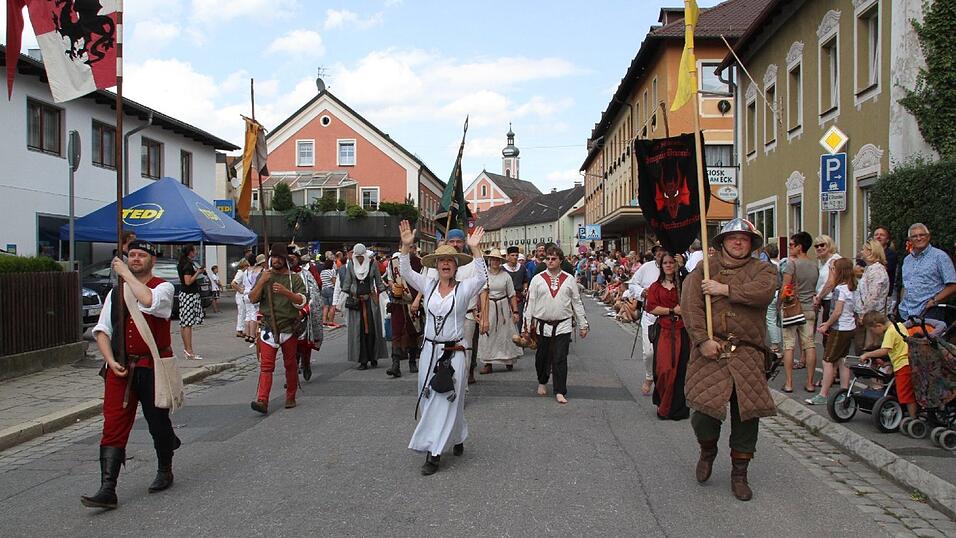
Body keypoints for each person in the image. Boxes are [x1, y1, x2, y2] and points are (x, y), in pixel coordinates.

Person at [681, 218, 776, 502]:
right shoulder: (704, 270)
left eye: (743, 239)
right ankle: (707, 449)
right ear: (722, 242)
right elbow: (691, 306)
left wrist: (725, 290)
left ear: (752, 244)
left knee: (747, 414)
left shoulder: (763, 269)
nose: (738, 242)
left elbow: (764, 294)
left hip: (748, 351)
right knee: (704, 411)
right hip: (711, 349)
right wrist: (703, 340)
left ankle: (739, 474)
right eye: (732, 238)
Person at [81, 240, 179, 509]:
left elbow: (150, 302)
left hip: (152, 367)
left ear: (152, 260)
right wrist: (110, 360)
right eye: (131, 255)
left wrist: (124, 274)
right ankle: (108, 488)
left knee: (157, 421)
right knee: (113, 424)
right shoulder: (116, 292)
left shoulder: (164, 287)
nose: (135, 259)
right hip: (121, 369)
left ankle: (164, 469)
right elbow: (102, 330)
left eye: (141, 255)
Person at [398, 220, 487, 475]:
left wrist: (476, 249)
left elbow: (482, 277)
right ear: (435, 266)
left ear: (456, 266)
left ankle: (433, 453)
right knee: (430, 398)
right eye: (441, 261)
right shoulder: (429, 286)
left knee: (446, 400)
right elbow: (406, 273)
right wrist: (406, 247)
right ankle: (458, 436)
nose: (445, 264)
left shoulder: (464, 288)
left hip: (453, 353)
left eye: (450, 261)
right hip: (429, 351)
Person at [523, 245, 589, 404]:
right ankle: (542, 381)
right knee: (542, 357)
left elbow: (576, 302)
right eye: (548, 258)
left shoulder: (569, 279)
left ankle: (560, 390)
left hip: (563, 324)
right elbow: (529, 303)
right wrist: (525, 327)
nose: (550, 261)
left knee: (560, 357)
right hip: (542, 324)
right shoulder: (537, 279)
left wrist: (583, 324)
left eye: (554, 258)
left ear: (560, 260)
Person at [249, 243, 308, 414]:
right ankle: (262, 400)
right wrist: (261, 282)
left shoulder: (294, 279)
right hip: (269, 328)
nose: (276, 260)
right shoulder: (265, 276)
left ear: (285, 260)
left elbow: (302, 300)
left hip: (289, 327)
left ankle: (291, 396)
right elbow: (252, 298)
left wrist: (286, 292)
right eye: (274, 257)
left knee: (290, 364)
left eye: (279, 258)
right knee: (266, 366)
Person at [806, 258, 857, 406]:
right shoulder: (851, 287)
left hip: (839, 329)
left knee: (827, 360)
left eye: (833, 270)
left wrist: (826, 325)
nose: (831, 272)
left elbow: (837, 312)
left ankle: (823, 393)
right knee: (843, 360)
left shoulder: (840, 289)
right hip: (849, 327)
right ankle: (844, 391)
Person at [645, 253, 689, 420]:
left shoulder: (683, 284)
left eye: (672, 262)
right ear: (661, 265)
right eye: (666, 263)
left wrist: (683, 267)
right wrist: (672, 310)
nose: (669, 265)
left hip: (681, 330)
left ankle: (677, 408)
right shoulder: (656, 286)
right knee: (663, 369)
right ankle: (663, 403)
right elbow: (652, 307)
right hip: (664, 330)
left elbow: (694, 288)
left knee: (679, 370)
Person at [780, 232, 819, 393]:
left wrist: (780, 302)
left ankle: (789, 383)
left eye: (791, 245)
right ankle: (810, 383)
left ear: (799, 247)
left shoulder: (792, 264)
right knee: (809, 345)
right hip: (809, 308)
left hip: (792, 309)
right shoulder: (814, 265)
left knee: (789, 346)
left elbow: (785, 288)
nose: (789, 248)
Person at [859, 311, 918, 418]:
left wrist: (867, 355)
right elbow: (900, 347)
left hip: (902, 365)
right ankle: (911, 415)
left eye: (873, 331)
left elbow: (884, 350)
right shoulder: (899, 325)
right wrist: (889, 363)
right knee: (906, 392)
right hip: (905, 362)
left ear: (878, 326)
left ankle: (913, 417)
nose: (874, 333)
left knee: (905, 394)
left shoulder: (890, 332)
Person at [342, 243, 389, 369]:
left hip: (371, 302)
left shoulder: (372, 263)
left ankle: (374, 357)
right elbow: (347, 283)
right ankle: (362, 360)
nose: (359, 259)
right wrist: (340, 302)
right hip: (357, 303)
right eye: (356, 256)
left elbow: (379, 282)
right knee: (359, 332)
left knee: (373, 331)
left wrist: (386, 300)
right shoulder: (351, 264)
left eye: (360, 256)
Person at [898, 223, 956, 323]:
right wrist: (902, 303)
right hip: (907, 313)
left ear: (928, 237)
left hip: (930, 312)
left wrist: (934, 301)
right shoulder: (907, 260)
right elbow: (905, 285)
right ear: (910, 240)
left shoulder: (940, 257)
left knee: (926, 339)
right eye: (914, 236)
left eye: (922, 235)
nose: (919, 238)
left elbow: (953, 285)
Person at [478, 249, 522, 374]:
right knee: (488, 333)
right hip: (489, 306)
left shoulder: (505, 275)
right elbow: (480, 294)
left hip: (503, 307)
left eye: (497, 260)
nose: (495, 262)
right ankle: (488, 362)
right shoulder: (484, 275)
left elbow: (512, 295)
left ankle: (508, 359)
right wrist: (480, 311)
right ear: (489, 261)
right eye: (493, 259)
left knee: (506, 334)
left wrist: (515, 311)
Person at [629, 245, 664, 395]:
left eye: (663, 252)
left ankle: (663, 382)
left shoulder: (673, 268)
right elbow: (632, 284)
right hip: (650, 316)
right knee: (649, 352)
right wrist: (642, 292)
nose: (660, 255)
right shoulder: (646, 268)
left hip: (669, 316)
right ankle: (649, 377)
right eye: (657, 252)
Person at [289, 246, 323, 381]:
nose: (291, 260)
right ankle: (292, 375)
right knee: (290, 346)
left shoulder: (306, 274)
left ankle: (306, 363)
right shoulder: (282, 275)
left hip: (304, 314)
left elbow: (314, 294)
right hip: (288, 315)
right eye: (288, 258)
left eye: (293, 258)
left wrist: (305, 310)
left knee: (303, 344)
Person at [385, 252, 422, 378]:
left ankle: (412, 361)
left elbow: (423, 284)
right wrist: (394, 286)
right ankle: (395, 365)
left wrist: (418, 299)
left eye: (412, 246)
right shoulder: (393, 262)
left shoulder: (419, 262)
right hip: (398, 301)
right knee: (396, 332)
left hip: (413, 302)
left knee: (413, 332)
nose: (411, 249)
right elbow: (390, 279)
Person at [854, 239, 889, 350]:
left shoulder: (877, 270)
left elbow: (873, 296)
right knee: (867, 345)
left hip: (874, 316)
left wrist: (864, 314)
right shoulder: (870, 269)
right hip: (869, 315)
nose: (861, 252)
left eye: (863, 249)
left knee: (872, 345)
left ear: (871, 251)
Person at [176, 244, 205, 360]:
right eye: (194, 250)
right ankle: (189, 350)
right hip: (189, 294)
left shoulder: (182, 263)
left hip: (185, 294)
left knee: (184, 323)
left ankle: (187, 349)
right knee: (187, 323)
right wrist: (197, 273)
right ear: (190, 252)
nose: (196, 252)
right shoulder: (187, 265)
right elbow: (187, 282)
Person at [502, 246, 530, 329]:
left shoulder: (522, 268)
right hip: (505, 298)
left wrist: (525, 289)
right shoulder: (502, 268)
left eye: (516, 255)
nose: (515, 257)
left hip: (519, 298)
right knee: (505, 320)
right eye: (512, 255)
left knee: (518, 319)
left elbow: (525, 281)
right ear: (508, 256)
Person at [763, 243, 782, 355]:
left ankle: (775, 345)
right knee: (777, 320)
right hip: (780, 293)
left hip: (773, 293)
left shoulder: (769, 265)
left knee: (771, 319)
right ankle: (778, 343)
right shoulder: (782, 263)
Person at [243, 255, 266, 344]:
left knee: (248, 314)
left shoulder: (249, 271)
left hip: (246, 293)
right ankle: (253, 336)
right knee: (255, 315)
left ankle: (247, 334)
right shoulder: (261, 271)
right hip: (255, 293)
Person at [873, 226, 898, 295]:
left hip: (885, 295)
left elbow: (882, 271)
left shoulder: (891, 255)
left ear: (887, 240)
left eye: (882, 235)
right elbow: (857, 269)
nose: (878, 237)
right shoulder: (868, 253)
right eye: (876, 235)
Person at [231, 259, 250, 338]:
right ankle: (240, 330)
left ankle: (241, 329)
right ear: (244, 266)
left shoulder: (242, 273)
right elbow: (233, 283)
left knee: (243, 312)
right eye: (247, 266)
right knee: (242, 313)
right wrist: (241, 290)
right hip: (240, 296)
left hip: (240, 295)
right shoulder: (241, 274)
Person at [319, 259, 337, 326]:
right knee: (332, 306)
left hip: (323, 289)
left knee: (325, 306)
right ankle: (330, 321)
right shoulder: (332, 271)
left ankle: (324, 321)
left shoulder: (322, 272)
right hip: (330, 289)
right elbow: (334, 281)